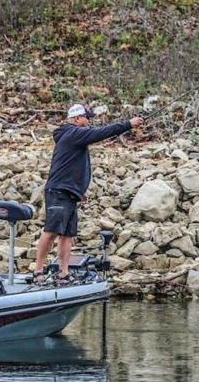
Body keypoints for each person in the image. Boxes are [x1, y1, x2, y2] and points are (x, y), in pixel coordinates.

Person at [33, 104, 142, 283]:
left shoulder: (73, 136)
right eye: (87, 118)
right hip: (59, 191)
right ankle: (38, 270)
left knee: (67, 235)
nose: (89, 122)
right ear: (77, 119)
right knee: (51, 231)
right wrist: (128, 124)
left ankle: (63, 272)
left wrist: (79, 191)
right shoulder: (74, 133)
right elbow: (103, 132)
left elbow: (71, 167)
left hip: (69, 191)